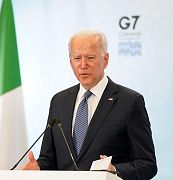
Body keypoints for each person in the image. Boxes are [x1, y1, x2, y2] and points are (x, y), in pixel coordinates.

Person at [21, 30, 157, 180]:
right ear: (70, 61)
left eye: (90, 58)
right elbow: (49, 159)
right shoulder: (59, 101)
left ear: (105, 60)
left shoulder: (130, 101)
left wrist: (114, 170)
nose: (83, 65)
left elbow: (147, 164)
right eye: (77, 58)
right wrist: (39, 168)